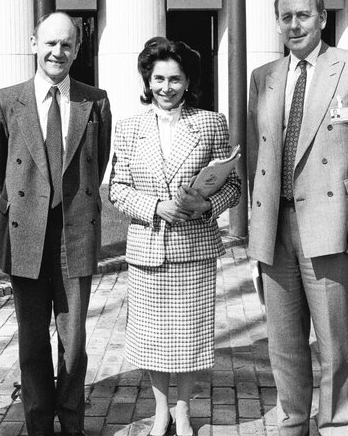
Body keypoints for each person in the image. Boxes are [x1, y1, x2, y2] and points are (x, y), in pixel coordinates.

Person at [248, 0, 348, 436]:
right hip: (274, 224)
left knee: (334, 341)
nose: (293, 25)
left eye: (302, 15)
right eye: (285, 17)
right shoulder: (264, 77)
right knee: (284, 342)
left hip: (330, 222)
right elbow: (261, 157)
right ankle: (293, 421)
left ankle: (337, 424)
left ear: (322, 18)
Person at [0, 11, 111, 436]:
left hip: (73, 232)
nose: (58, 52)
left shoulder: (94, 100)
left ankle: (72, 418)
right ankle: (39, 421)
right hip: (27, 234)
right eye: (50, 43)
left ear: (77, 49)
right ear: (33, 43)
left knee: (73, 341)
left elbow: (99, 160)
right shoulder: (6, 100)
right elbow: (0, 164)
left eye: (67, 44)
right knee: (32, 338)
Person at [109, 38, 241, 436]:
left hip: (194, 248)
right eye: (159, 78)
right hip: (148, 247)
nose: (166, 87)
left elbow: (233, 185)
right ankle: (161, 409)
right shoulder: (129, 128)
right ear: (147, 81)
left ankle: (183, 410)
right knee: (151, 338)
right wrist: (153, 207)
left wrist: (207, 207)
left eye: (176, 79)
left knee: (190, 335)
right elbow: (117, 187)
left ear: (188, 82)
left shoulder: (210, 122)